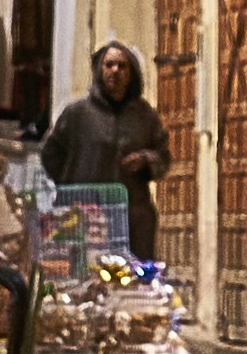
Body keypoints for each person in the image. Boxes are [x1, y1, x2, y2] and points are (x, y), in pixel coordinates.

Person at [38, 34, 170, 269]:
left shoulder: (145, 116)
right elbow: (51, 154)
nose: (115, 71)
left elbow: (163, 157)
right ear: (100, 70)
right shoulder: (77, 114)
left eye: (122, 66)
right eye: (109, 65)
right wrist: (73, 182)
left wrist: (146, 160)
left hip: (132, 217)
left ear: (131, 74)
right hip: (84, 216)